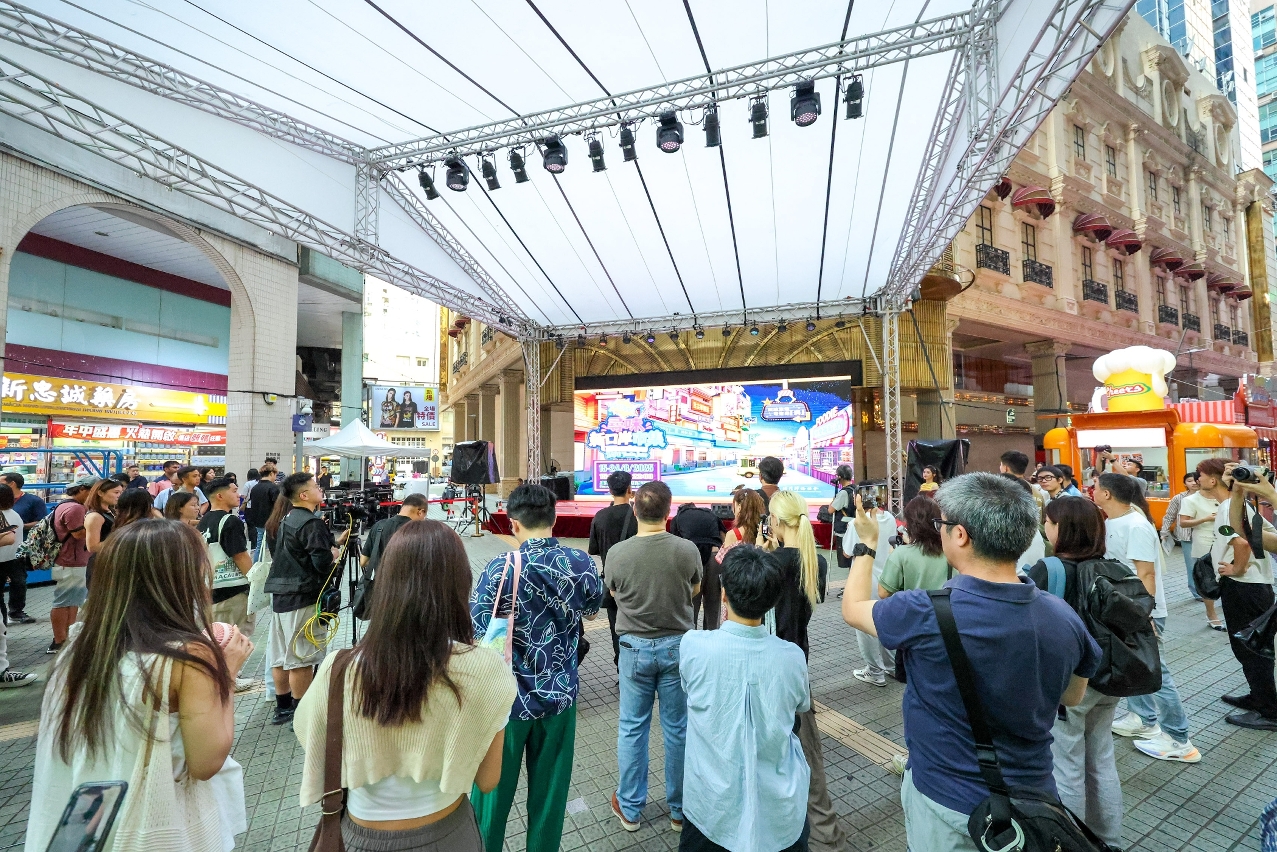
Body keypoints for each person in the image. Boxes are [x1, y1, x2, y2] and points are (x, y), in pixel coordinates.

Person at [840, 472, 1100, 851]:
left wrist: (866, 544)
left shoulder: (921, 611)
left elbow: (852, 609)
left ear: (960, 535)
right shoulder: (1061, 615)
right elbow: (1072, 696)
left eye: (942, 525)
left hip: (945, 796)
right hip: (1033, 801)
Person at [25, 520, 253, 852]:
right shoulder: (188, 656)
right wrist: (226, 675)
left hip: (84, 826)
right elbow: (207, 761)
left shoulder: (79, 647)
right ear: (181, 579)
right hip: (159, 828)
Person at [295, 519, 516, 852]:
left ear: (386, 582)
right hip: (448, 836)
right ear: (460, 584)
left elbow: (318, 746)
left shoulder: (337, 668)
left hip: (355, 836)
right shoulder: (484, 669)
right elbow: (487, 780)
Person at [470, 483, 603, 852]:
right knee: (549, 798)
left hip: (506, 705)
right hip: (560, 697)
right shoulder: (580, 563)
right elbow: (593, 609)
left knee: (491, 797)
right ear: (554, 519)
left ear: (514, 524)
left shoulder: (499, 567)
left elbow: (478, 630)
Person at [679, 545, 812, 852]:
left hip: (710, 806)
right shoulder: (791, 657)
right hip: (780, 810)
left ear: (724, 594)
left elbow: (688, 688)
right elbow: (801, 707)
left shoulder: (694, 645)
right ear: (772, 601)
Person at [1025, 497, 1124, 848]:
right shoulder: (1112, 566)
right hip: (1111, 678)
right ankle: (1108, 840)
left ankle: (1071, 842)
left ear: (1062, 529)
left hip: (1070, 683)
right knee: (1101, 759)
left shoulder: (1049, 568)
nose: (1045, 528)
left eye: (1049, 522)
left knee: (1066, 765)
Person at [605, 480, 701, 834]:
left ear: (635, 510)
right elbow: (695, 588)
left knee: (633, 727)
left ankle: (630, 808)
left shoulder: (618, 553)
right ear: (669, 511)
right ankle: (680, 810)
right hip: (677, 647)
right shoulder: (686, 549)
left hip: (633, 649)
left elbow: (613, 591)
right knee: (678, 728)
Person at [1094, 472, 1201, 763]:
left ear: (1107, 494)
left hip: (1142, 611)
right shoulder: (1111, 521)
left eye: (1095, 487)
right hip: (1125, 609)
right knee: (1133, 666)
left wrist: (1144, 615)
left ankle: (1179, 739)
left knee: (1157, 673)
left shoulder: (1136, 525)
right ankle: (1143, 718)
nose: (1092, 491)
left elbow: (1146, 573)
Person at [765, 490, 845, 852]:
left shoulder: (769, 563)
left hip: (768, 669)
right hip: (798, 666)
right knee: (808, 753)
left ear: (776, 521)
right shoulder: (818, 564)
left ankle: (809, 833)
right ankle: (825, 834)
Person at [263, 472, 346, 725]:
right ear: (304, 495)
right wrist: (334, 553)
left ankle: (283, 707)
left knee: (281, 655)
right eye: (315, 486)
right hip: (303, 597)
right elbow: (321, 563)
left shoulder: (287, 518)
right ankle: (303, 715)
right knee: (302, 658)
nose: (320, 489)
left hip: (282, 596)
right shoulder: (311, 523)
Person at [1213, 469, 1277, 730]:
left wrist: (1271, 494)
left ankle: (1268, 710)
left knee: (1253, 650)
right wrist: (1240, 491)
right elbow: (1246, 534)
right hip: (1258, 587)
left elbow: (1241, 541)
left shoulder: (1226, 507)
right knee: (1252, 647)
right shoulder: (1237, 505)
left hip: (1248, 587)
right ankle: (1261, 699)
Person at [199, 478, 255, 685]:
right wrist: (254, 581)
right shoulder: (230, 521)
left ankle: (219, 678)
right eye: (234, 490)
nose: (238, 494)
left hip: (212, 589)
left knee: (217, 637)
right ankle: (229, 679)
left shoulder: (204, 521)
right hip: (233, 590)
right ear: (220, 496)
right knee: (234, 637)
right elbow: (240, 555)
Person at [842, 490, 896, 686]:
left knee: (865, 627)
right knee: (887, 621)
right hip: (888, 578)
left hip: (864, 579)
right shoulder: (890, 518)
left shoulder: (856, 523)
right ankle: (892, 666)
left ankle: (875, 671)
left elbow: (847, 552)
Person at [587, 469, 637, 669]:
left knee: (616, 627)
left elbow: (593, 549)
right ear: (629, 489)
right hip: (636, 581)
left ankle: (621, 668)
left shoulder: (600, 516)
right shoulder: (638, 516)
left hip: (611, 582)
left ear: (609, 490)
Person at [48, 477, 95, 654]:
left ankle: (68, 637)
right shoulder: (75, 508)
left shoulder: (68, 505)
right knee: (63, 601)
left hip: (71, 560)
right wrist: (97, 525)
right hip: (70, 561)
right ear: (82, 489)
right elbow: (78, 534)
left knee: (72, 601)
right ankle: (59, 641)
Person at [1180, 460, 1226, 630]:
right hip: (1204, 541)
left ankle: (1228, 611)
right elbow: (1183, 522)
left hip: (1225, 541)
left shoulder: (1224, 497)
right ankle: (1211, 614)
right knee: (1208, 578)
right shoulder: (1190, 500)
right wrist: (1206, 519)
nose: (1198, 480)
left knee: (1227, 577)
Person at [879, 496, 951, 598]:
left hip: (913, 607)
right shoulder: (950, 552)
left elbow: (883, 593)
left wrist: (893, 555)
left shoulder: (900, 555)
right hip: (944, 606)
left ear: (910, 524)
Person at [671, 502, 725, 631]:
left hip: (691, 558)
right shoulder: (710, 514)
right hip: (713, 556)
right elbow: (723, 537)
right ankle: (712, 636)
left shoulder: (678, 518)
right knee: (713, 603)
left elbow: (674, 545)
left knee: (692, 602)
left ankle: (691, 634)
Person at [0, 487, 31, 687]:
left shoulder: (7, 516)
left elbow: (10, 538)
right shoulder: (12, 514)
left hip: (8, 561)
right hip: (11, 561)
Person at [361, 493, 428, 578]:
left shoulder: (379, 526)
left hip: (380, 584)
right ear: (420, 512)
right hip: (408, 585)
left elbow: (363, 562)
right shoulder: (419, 532)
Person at [1162, 473, 1200, 601]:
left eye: (1195, 480)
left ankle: (1208, 590)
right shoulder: (1179, 498)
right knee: (1192, 565)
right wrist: (1164, 532)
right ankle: (1196, 592)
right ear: (1185, 483)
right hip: (1186, 536)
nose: (1193, 483)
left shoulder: (1207, 496)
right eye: (1189, 481)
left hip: (1205, 535)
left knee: (1207, 564)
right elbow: (1169, 516)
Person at [0, 483, 33, 625]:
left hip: (13, 558)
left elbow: (10, 539)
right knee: (18, 584)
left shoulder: (10, 515)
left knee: (18, 585)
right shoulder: (14, 514)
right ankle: (11, 615)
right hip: (13, 557)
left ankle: (13, 614)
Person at [83, 479, 124, 582]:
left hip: (112, 561)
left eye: (120, 492)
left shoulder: (110, 511)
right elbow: (92, 546)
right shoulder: (95, 516)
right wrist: (122, 541)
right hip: (102, 565)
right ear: (100, 493)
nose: (119, 496)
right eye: (116, 492)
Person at [245, 458, 281, 557]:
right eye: (275, 475)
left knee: (259, 545)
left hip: (258, 521)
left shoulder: (255, 488)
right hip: (271, 522)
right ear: (271, 473)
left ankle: (257, 563)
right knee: (272, 547)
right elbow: (277, 506)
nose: (275, 477)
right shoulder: (273, 488)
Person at [826, 465, 856, 569]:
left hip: (843, 530)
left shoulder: (843, 493)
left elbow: (830, 510)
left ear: (840, 477)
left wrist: (834, 499)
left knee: (847, 559)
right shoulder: (855, 489)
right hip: (854, 526)